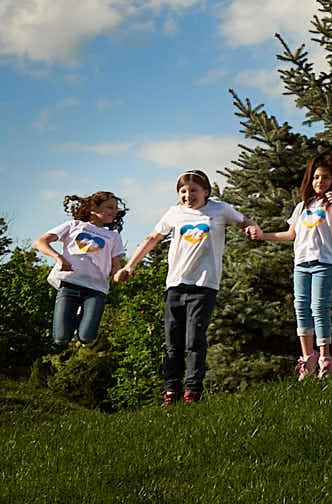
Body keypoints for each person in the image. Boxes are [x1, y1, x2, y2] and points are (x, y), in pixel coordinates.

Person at [117, 170, 251, 405]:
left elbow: (244, 221)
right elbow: (152, 239)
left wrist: (252, 228)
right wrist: (130, 266)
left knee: (194, 339)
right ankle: (171, 390)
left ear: (206, 192)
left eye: (193, 191)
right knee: (173, 341)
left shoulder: (219, 209)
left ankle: (192, 390)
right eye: (183, 191)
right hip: (176, 284)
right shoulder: (174, 213)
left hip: (204, 285)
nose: (188, 196)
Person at [245, 154, 332, 379]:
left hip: (324, 262)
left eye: (325, 177)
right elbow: (291, 234)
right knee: (301, 307)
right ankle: (308, 357)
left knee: (319, 307)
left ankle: (325, 358)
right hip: (302, 264)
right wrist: (263, 235)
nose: (320, 181)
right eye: (316, 177)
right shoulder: (302, 206)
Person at [35, 191, 127, 350]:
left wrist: (120, 273)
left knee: (86, 337)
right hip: (70, 284)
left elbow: (116, 265)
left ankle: (83, 318)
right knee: (61, 338)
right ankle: (76, 313)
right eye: (110, 207)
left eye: (115, 208)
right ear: (93, 209)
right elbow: (40, 242)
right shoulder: (73, 226)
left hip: (96, 290)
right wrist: (59, 258)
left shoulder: (113, 237)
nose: (114, 212)